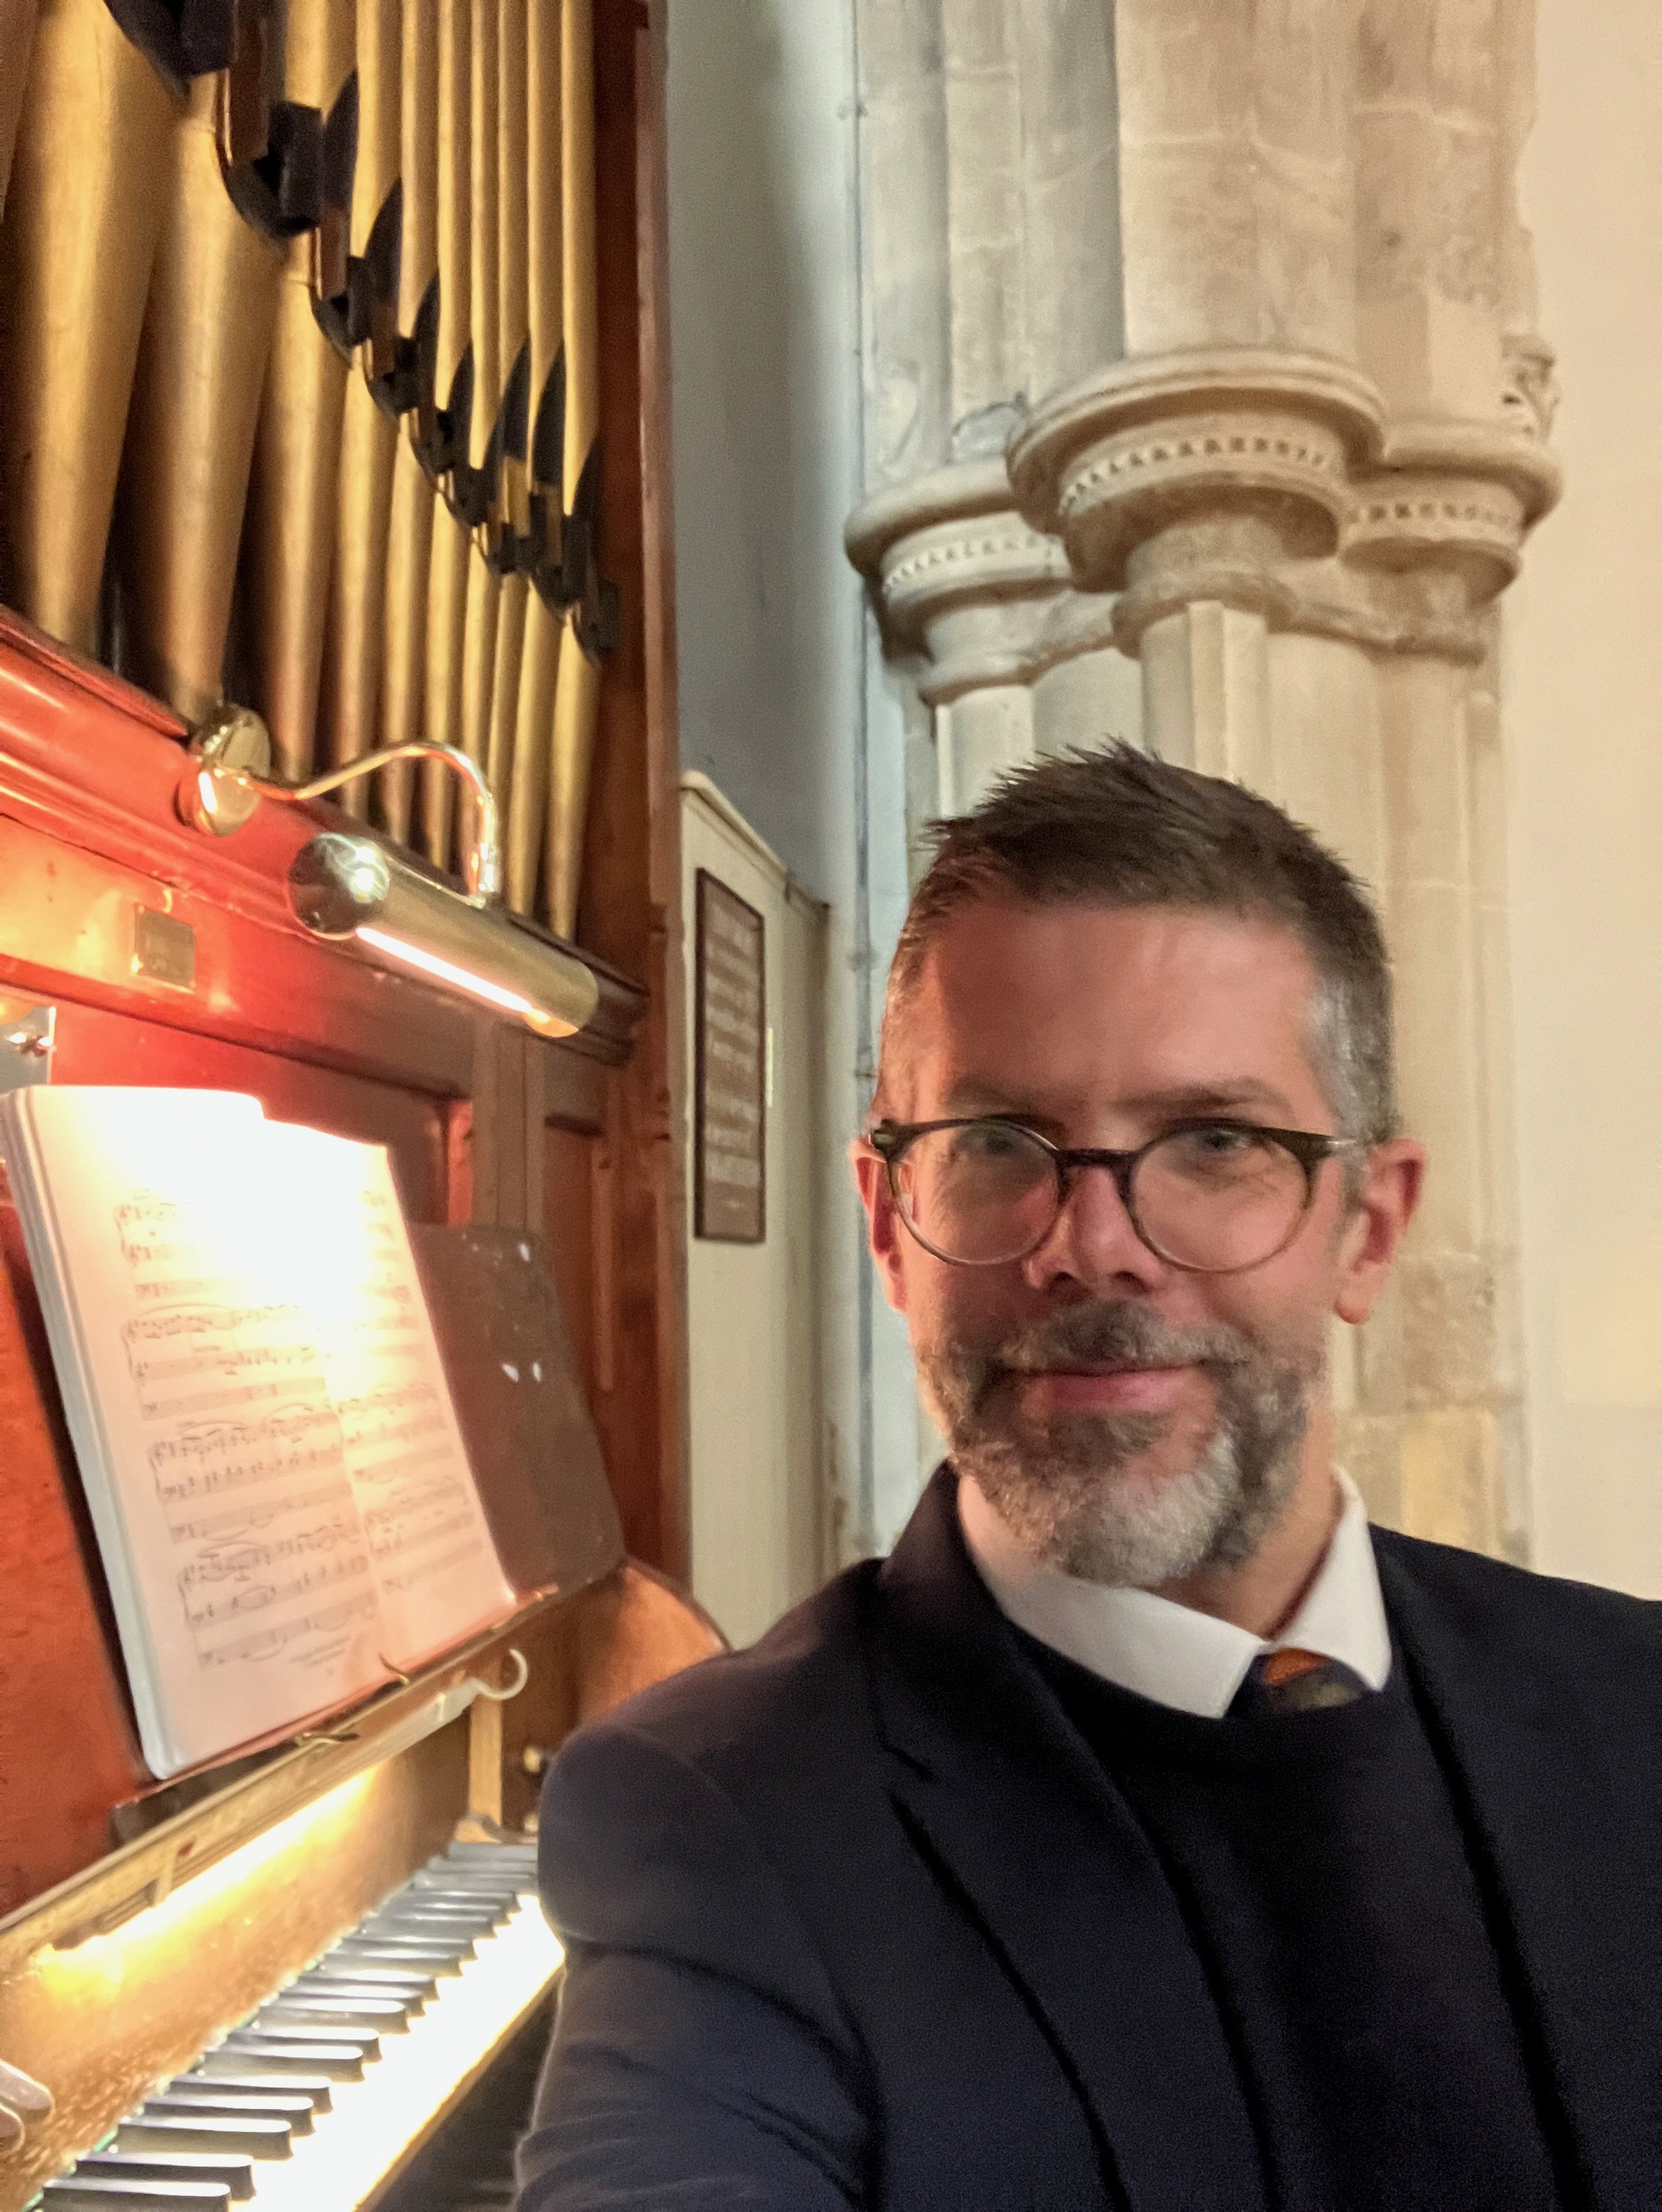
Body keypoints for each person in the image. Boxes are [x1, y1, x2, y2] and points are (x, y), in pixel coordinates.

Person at [516, 746, 1662, 2212]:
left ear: (1365, 1228)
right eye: (998, 1140)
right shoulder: (713, 1820)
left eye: (1213, 1140)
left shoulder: (1631, 1708)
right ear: (887, 1221)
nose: (1092, 1243)